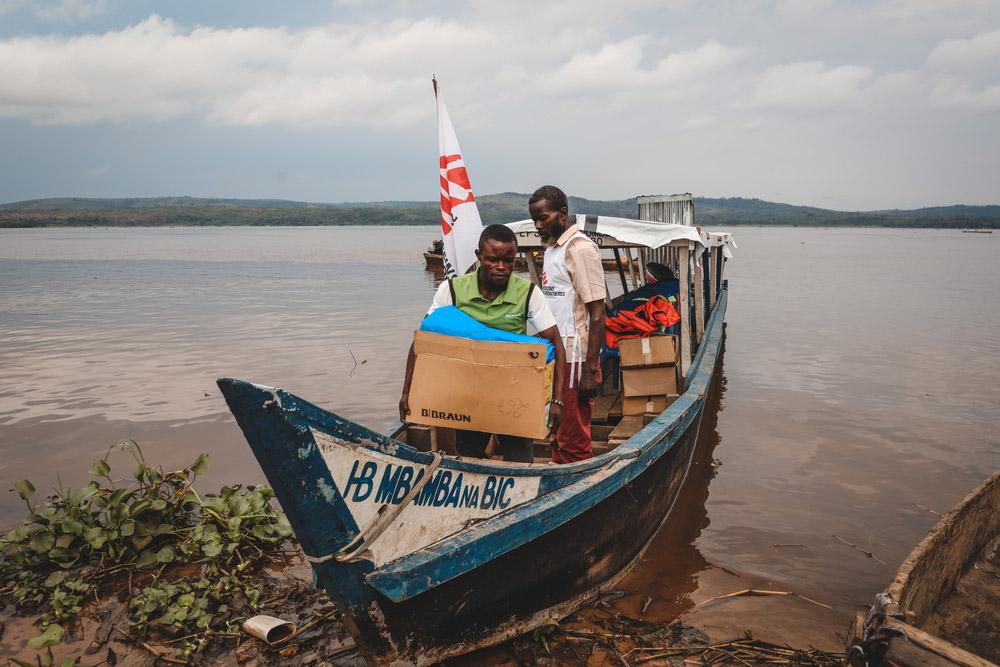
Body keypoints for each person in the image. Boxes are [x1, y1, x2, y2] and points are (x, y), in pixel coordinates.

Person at [399, 224, 566, 462]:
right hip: (468, 392)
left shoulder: (528, 293)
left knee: (520, 461)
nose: (501, 267)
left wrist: (557, 400)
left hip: (515, 393)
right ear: (479, 256)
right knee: (469, 459)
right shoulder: (453, 291)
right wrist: (408, 392)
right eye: (493, 260)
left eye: (508, 261)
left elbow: (556, 344)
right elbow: (422, 342)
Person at [529, 185, 607, 464]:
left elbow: (597, 313)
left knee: (573, 436)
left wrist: (591, 369)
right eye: (535, 220)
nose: (538, 225)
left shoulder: (581, 249)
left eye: (543, 218)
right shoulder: (551, 249)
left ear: (562, 214)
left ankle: (572, 482)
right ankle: (555, 469)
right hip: (554, 355)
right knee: (555, 427)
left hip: (575, 358)